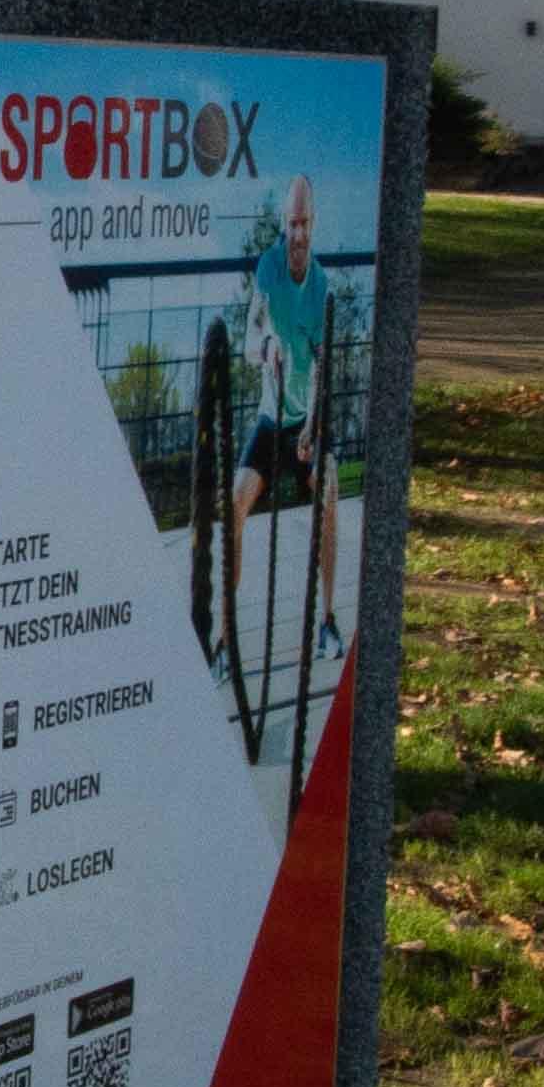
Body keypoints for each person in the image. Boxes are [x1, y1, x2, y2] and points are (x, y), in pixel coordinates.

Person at [217, 178, 343, 698]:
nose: (297, 232)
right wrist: (265, 344)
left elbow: (321, 370)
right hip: (271, 420)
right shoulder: (268, 268)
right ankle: (225, 642)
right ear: (282, 225)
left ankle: (328, 621)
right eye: (291, 223)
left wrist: (312, 430)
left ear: (314, 225)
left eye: (305, 223)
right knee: (235, 504)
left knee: (329, 496)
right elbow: (248, 340)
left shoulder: (323, 288)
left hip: (306, 419)